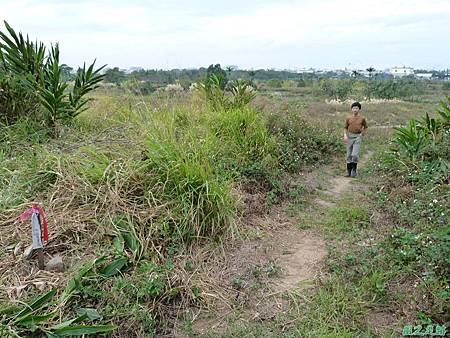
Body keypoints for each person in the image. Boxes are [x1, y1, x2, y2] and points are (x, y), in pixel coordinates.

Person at [343, 102, 367, 177]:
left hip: (357, 137)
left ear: (359, 109)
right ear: (351, 109)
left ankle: (354, 170)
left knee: (355, 155)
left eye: (356, 108)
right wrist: (345, 135)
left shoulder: (362, 118)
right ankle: (348, 171)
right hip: (349, 136)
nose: (355, 110)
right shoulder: (348, 118)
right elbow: (345, 127)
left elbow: (365, 127)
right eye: (353, 108)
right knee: (349, 155)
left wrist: (361, 134)